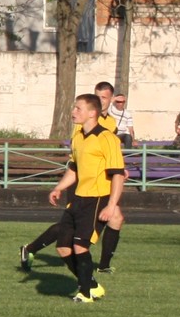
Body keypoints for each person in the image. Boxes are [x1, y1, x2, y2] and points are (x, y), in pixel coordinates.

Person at [19, 87, 122, 270]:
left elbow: (108, 154)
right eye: (98, 97)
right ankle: (31, 249)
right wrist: (59, 187)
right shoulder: (81, 128)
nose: (101, 100)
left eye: (104, 97)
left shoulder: (111, 123)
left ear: (111, 99)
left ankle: (102, 266)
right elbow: (79, 158)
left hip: (101, 186)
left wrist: (118, 168)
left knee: (115, 217)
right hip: (83, 186)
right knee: (70, 229)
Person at [47, 92, 125, 303]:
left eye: (78, 108)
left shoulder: (107, 138)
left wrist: (111, 205)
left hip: (97, 199)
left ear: (92, 113)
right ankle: (91, 285)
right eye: (74, 107)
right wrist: (59, 188)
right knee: (63, 247)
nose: (73, 112)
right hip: (78, 198)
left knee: (80, 246)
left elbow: (118, 174)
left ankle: (85, 293)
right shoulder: (78, 136)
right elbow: (74, 168)